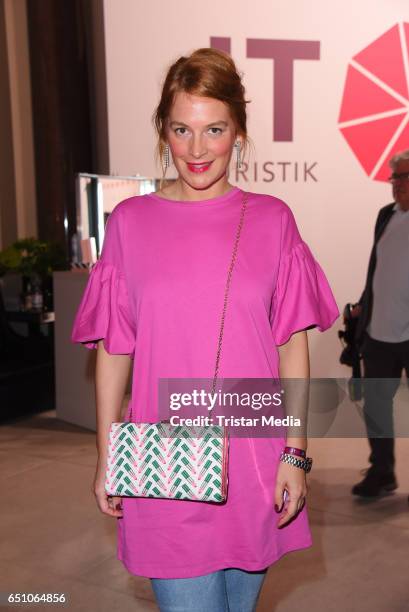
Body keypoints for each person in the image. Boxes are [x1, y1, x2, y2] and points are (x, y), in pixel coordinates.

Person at [71, 48, 339, 612]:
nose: (197, 150)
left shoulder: (272, 219)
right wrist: (106, 455)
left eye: (214, 129)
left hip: (254, 459)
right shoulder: (130, 223)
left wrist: (295, 453)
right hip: (163, 455)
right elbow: (113, 350)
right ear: (162, 131)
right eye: (181, 130)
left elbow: (291, 349)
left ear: (238, 131)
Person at [352, 150, 409, 499]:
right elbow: (378, 270)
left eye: (405, 178)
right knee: (376, 406)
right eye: (396, 179)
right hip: (380, 332)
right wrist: (363, 306)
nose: (398, 185)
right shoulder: (385, 216)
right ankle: (382, 472)